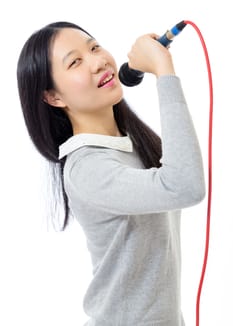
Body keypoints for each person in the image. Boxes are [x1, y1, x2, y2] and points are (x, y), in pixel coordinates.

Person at [17, 21, 206, 326]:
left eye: (94, 47)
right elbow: (185, 186)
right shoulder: (87, 168)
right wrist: (163, 71)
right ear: (54, 97)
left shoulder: (131, 143)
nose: (97, 61)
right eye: (75, 62)